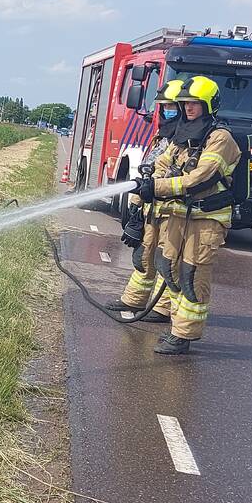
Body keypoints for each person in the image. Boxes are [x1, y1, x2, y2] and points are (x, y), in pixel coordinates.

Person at [133, 75, 241, 355]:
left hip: (206, 219)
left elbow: (201, 178)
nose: (188, 108)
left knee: (192, 274)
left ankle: (184, 334)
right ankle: (170, 320)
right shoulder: (183, 135)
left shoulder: (221, 138)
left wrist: (157, 187)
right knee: (167, 266)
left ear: (208, 104)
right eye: (185, 104)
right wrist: (149, 179)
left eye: (194, 103)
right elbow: (161, 162)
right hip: (178, 215)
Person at [105, 80, 183, 322]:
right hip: (152, 208)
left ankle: (161, 309)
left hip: (172, 212)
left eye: (170, 107)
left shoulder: (186, 140)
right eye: (164, 107)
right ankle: (134, 300)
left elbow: (172, 177)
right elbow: (148, 172)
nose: (165, 112)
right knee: (143, 256)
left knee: (165, 262)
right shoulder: (163, 136)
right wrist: (135, 206)